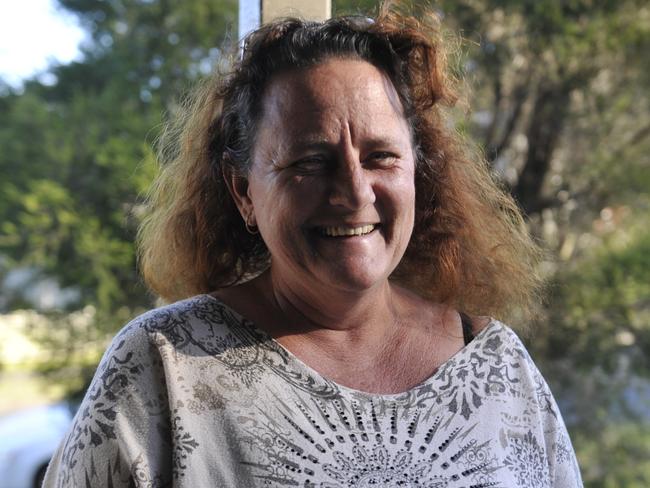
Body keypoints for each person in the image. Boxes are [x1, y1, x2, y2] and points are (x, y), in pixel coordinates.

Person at [44, 5, 583, 487]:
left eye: (381, 156)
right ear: (244, 192)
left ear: (418, 172)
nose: (354, 192)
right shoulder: (162, 369)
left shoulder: (496, 365)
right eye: (309, 161)